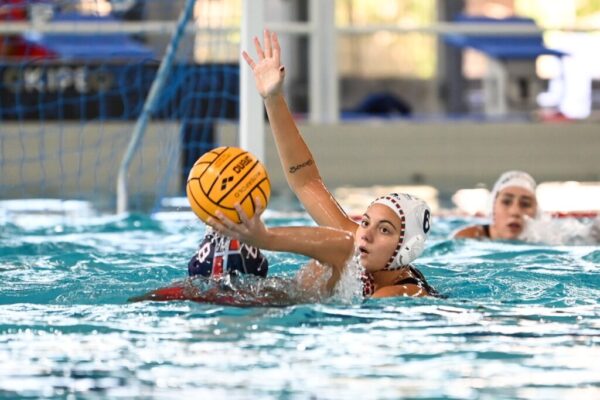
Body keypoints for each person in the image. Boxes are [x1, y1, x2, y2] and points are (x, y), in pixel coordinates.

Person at [207, 29, 438, 300]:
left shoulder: (403, 294)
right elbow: (305, 180)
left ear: (408, 247)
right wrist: (273, 98)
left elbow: (340, 247)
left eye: (384, 229)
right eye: (365, 222)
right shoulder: (363, 247)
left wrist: (266, 239)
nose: (365, 234)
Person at [453, 170, 538, 240]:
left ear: (536, 212)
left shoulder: (544, 240)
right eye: (506, 202)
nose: (515, 211)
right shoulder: (468, 237)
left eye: (525, 204)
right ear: (493, 207)